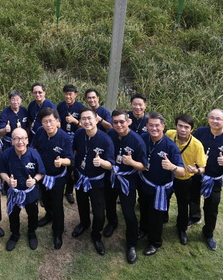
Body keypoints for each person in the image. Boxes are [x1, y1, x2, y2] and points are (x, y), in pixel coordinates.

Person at [190, 109, 223, 251]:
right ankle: (194, 217)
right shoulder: (201, 132)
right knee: (192, 198)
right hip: (196, 174)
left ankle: (208, 233)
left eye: (218, 119)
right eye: (212, 118)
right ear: (208, 119)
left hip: (214, 179)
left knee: (212, 207)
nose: (215, 121)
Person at [138, 112, 184, 257]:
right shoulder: (143, 138)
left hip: (160, 189)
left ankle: (155, 242)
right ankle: (143, 229)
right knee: (143, 208)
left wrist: (172, 167)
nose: (154, 128)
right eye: (151, 125)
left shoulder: (170, 147)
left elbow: (182, 172)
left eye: (157, 125)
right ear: (146, 126)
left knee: (156, 216)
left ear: (163, 126)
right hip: (145, 183)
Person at [71, 107, 115, 256]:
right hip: (81, 177)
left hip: (97, 182)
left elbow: (111, 165)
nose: (86, 121)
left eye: (89, 118)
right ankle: (84, 223)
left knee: (99, 213)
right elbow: (75, 151)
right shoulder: (79, 134)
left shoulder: (105, 140)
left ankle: (96, 235)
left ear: (96, 119)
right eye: (83, 118)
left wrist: (101, 162)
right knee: (82, 204)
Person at [106, 109, 148, 264]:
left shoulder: (137, 141)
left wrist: (131, 162)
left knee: (128, 213)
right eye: (115, 122)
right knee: (109, 203)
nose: (118, 125)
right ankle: (112, 223)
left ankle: (131, 244)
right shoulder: (110, 134)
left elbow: (143, 166)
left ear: (128, 122)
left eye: (121, 122)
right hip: (111, 177)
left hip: (127, 181)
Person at [31, 107, 73, 249]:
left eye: (51, 121)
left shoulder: (64, 137)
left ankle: (58, 232)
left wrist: (62, 161)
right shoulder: (40, 132)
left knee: (57, 204)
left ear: (57, 121)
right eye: (45, 122)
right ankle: (49, 216)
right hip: (42, 174)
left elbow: (71, 160)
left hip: (57, 177)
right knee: (45, 199)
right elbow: (33, 148)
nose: (48, 125)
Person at [0, 128, 45, 251]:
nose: (20, 142)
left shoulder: (34, 155)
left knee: (33, 213)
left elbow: (41, 172)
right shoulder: (6, 154)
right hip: (14, 192)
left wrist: (34, 180)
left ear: (27, 140)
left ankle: (31, 232)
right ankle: (15, 234)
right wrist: (8, 180)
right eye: (17, 139)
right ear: (12, 141)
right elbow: (1, 171)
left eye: (23, 138)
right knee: (13, 214)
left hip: (30, 192)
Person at [165, 114, 207, 245]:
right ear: (176, 126)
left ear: (192, 129)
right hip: (168, 175)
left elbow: (203, 167)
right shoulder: (169, 134)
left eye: (186, 127)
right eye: (180, 126)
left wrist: (196, 171)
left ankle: (181, 229)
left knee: (183, 205)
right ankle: (163, 217)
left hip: (184, 179)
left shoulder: (197, 145)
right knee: (164, 198)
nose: (183, 129)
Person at [58, 84, 84, 204]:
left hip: (76, 138)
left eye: (70, 94)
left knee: (72, 165)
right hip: (63, 138)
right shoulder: (60, 106)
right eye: (66, 94)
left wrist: (75, 121)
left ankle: (69, 191)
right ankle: (58, 188)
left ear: (75, 95)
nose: (68, 96)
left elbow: (85, 125)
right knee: (60, 161)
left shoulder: (80, 107)